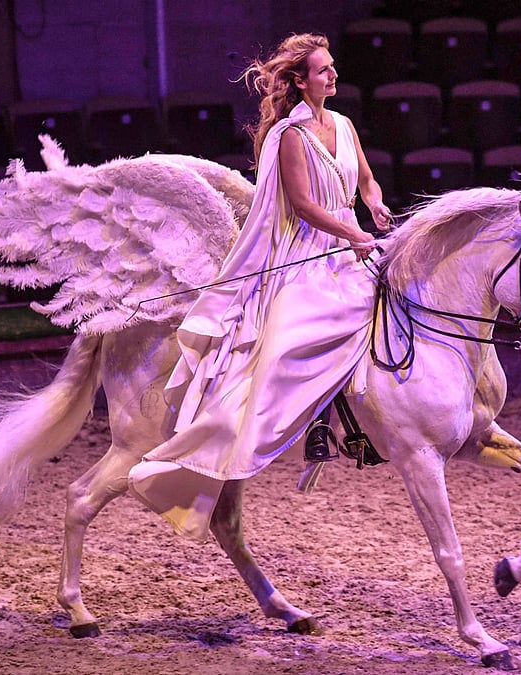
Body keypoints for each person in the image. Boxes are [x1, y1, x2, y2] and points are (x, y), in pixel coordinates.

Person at [127, 33, 394, 540]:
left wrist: (374, 203)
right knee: (292, 337)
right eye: (322, 70)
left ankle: (370, 421)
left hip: (351, 243)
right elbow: (303, 205)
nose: (333, 76)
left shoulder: (343, 124)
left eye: (332, 68)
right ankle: (318, 426)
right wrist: (353, 232)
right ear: (300, 80)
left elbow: (364, 180)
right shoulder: (291, 136)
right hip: (307, 253)